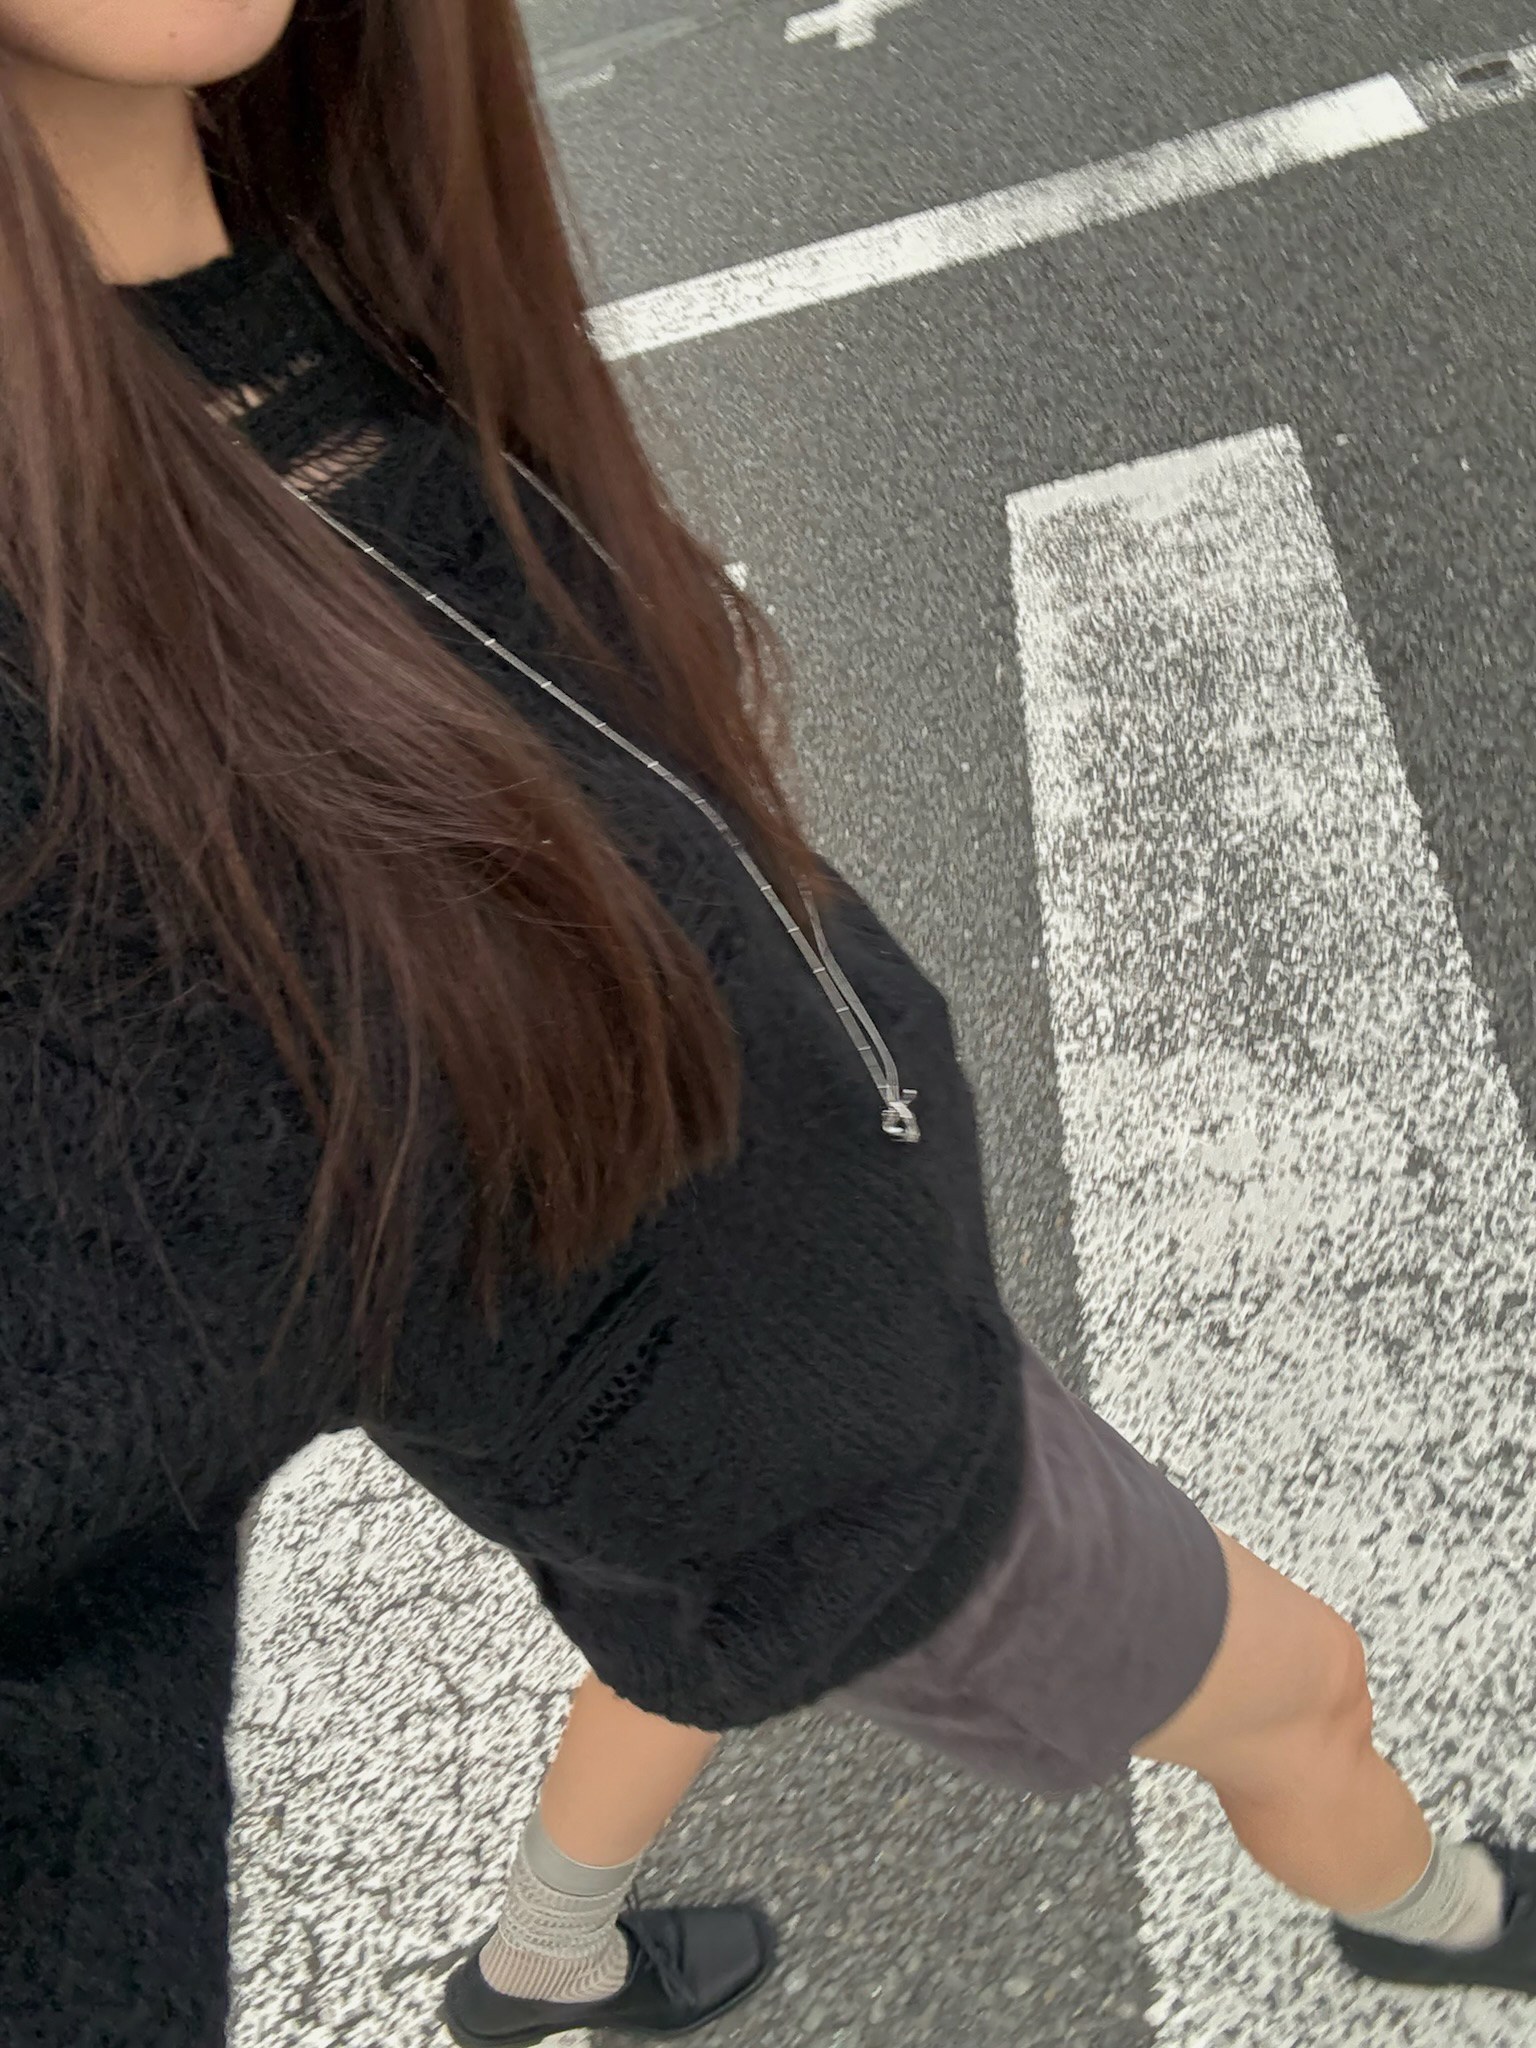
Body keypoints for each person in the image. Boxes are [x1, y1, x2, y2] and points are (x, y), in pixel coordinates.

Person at [0, 6, 1529, 2046]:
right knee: (1306, 1693)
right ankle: (1432, 1912)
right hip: (855, 1457)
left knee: (693, 1624)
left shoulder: (333, 340)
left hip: (739, 1402)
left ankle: (543, 1962)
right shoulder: (56, 686)